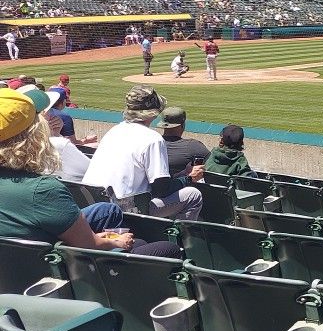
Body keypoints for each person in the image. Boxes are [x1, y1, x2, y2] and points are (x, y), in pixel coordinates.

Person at [0, 90, 178, 257]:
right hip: (53, 266)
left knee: (107, 210)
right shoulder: (43, 190)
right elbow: (90, 244)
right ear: (32, 137)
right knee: (166, 248)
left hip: (20, 259)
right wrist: (117, 241)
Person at [82, 85, 202, 220]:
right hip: (125, 208)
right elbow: (161, 190)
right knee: (193, 195)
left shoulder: (114, 130)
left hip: (92, 204)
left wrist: (181, 175)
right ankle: (179, 239)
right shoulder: (152, 139)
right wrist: (189, 178)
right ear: (153, 112)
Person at [158, 107, 210, 176]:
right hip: (181, 185)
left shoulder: (152, 144)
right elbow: (212, 165)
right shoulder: (193, 146)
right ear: (183, 124)